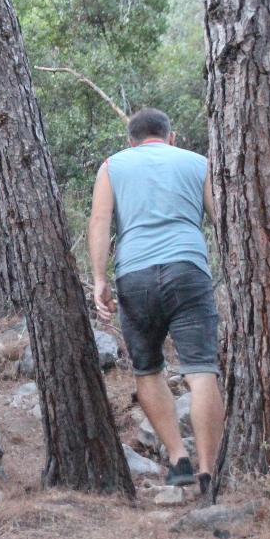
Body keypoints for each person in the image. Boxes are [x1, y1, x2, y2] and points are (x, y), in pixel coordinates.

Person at [87, 108, 224, 494]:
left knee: (148, 370)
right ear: (171, 136)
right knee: (201, 372)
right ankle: (209, 472)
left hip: (135, 274)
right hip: (188, 269)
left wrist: (100, 280)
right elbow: (220, 217)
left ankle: (179, 458)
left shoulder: (113, 166)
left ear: (131, 140)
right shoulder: (199, 163)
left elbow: (100, 221)